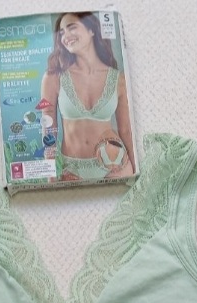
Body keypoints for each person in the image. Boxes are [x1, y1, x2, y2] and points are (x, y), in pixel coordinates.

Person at [41, 12, 135, 181]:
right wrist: (50, 170)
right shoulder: (54, 77)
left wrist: (136, 169)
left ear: (92, 30)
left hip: (117, 165)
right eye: (61, 33)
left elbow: (126, 130)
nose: (65, 36)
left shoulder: (118, 79)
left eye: (71, 28)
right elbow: (48, 127)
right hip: (71, 168)